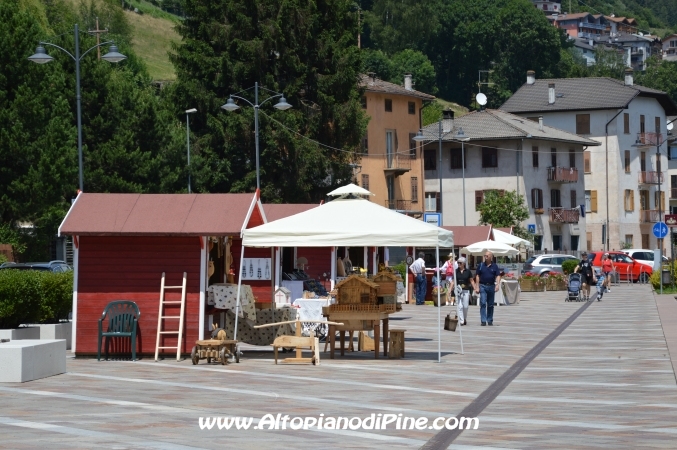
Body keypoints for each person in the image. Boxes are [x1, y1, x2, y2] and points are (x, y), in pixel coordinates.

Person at [474, 251, 501, 326]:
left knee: (490, 304)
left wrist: (497, 284)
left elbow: (498, 275)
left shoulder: (494, 266)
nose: (485, 257)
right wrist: (477, 286)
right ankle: (483, 320)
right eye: (484, 255)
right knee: (482, 302)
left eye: (486, 256)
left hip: (491, 286)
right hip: (483, 286)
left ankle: (489, 320)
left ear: (490, 257)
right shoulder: (481, 265)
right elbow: (477, 276)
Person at [453, 257, 476, 326]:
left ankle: (464, 318)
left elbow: (471, 280)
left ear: (463, 264)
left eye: (460, 263)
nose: (458, 264)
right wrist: (449, 290)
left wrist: (475, 288)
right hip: (458, 291)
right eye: (458, 263)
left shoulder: (468, 271)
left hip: (466, 290)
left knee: (465, 306)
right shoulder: (456, 271)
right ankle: (461, 321)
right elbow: (453, 281)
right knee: (460, 306)